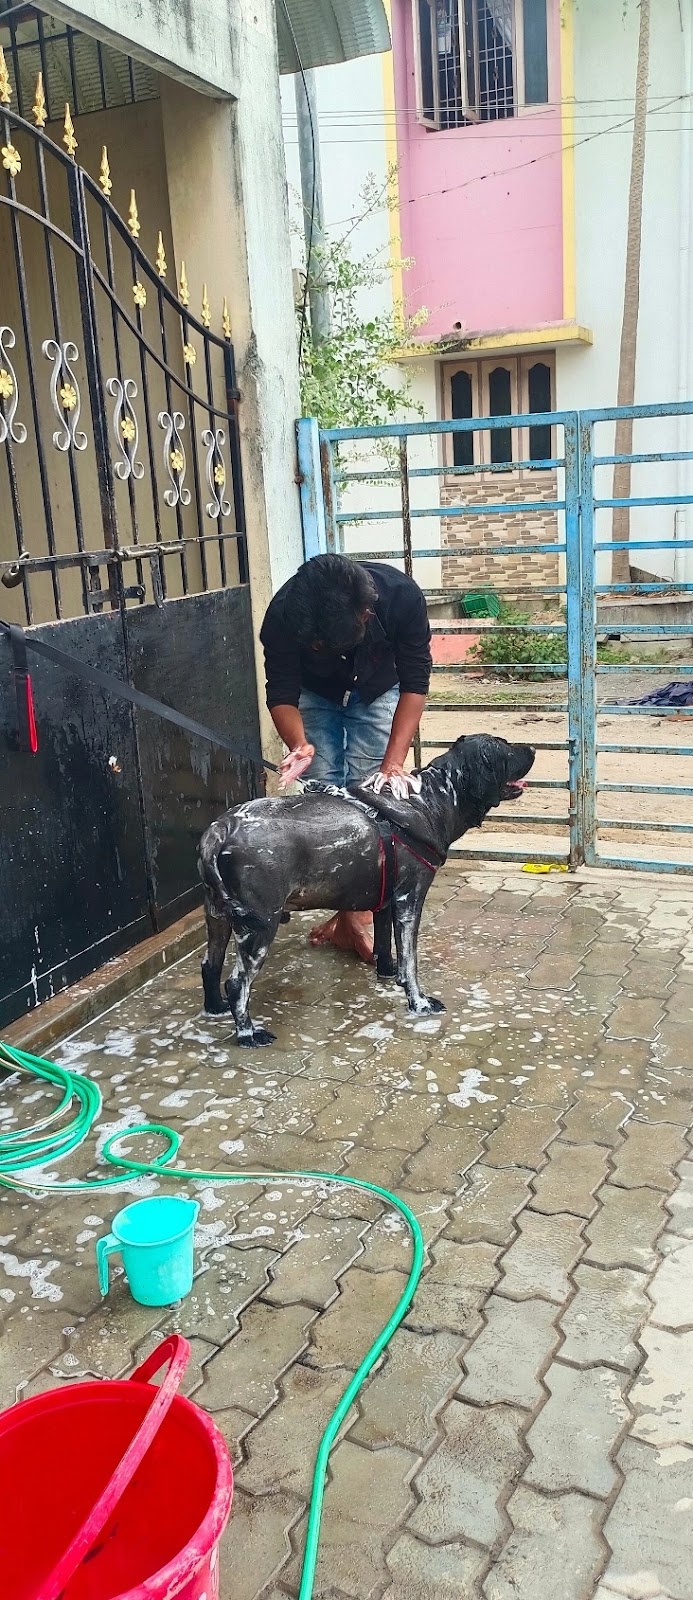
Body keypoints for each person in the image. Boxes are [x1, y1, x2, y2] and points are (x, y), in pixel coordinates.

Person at [260, 554, 432, 961]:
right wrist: (298, 744)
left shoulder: (401, 598)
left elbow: (415, 683)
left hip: (379, 688)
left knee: (371, 799)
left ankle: (352, 919)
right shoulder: (284, 615)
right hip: (315, 693)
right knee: (325, 803)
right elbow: (281, 692)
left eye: (326, 644)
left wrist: (393, 764)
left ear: (365, 616)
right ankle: (350, 918)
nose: (318, 648)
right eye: (314, 645)